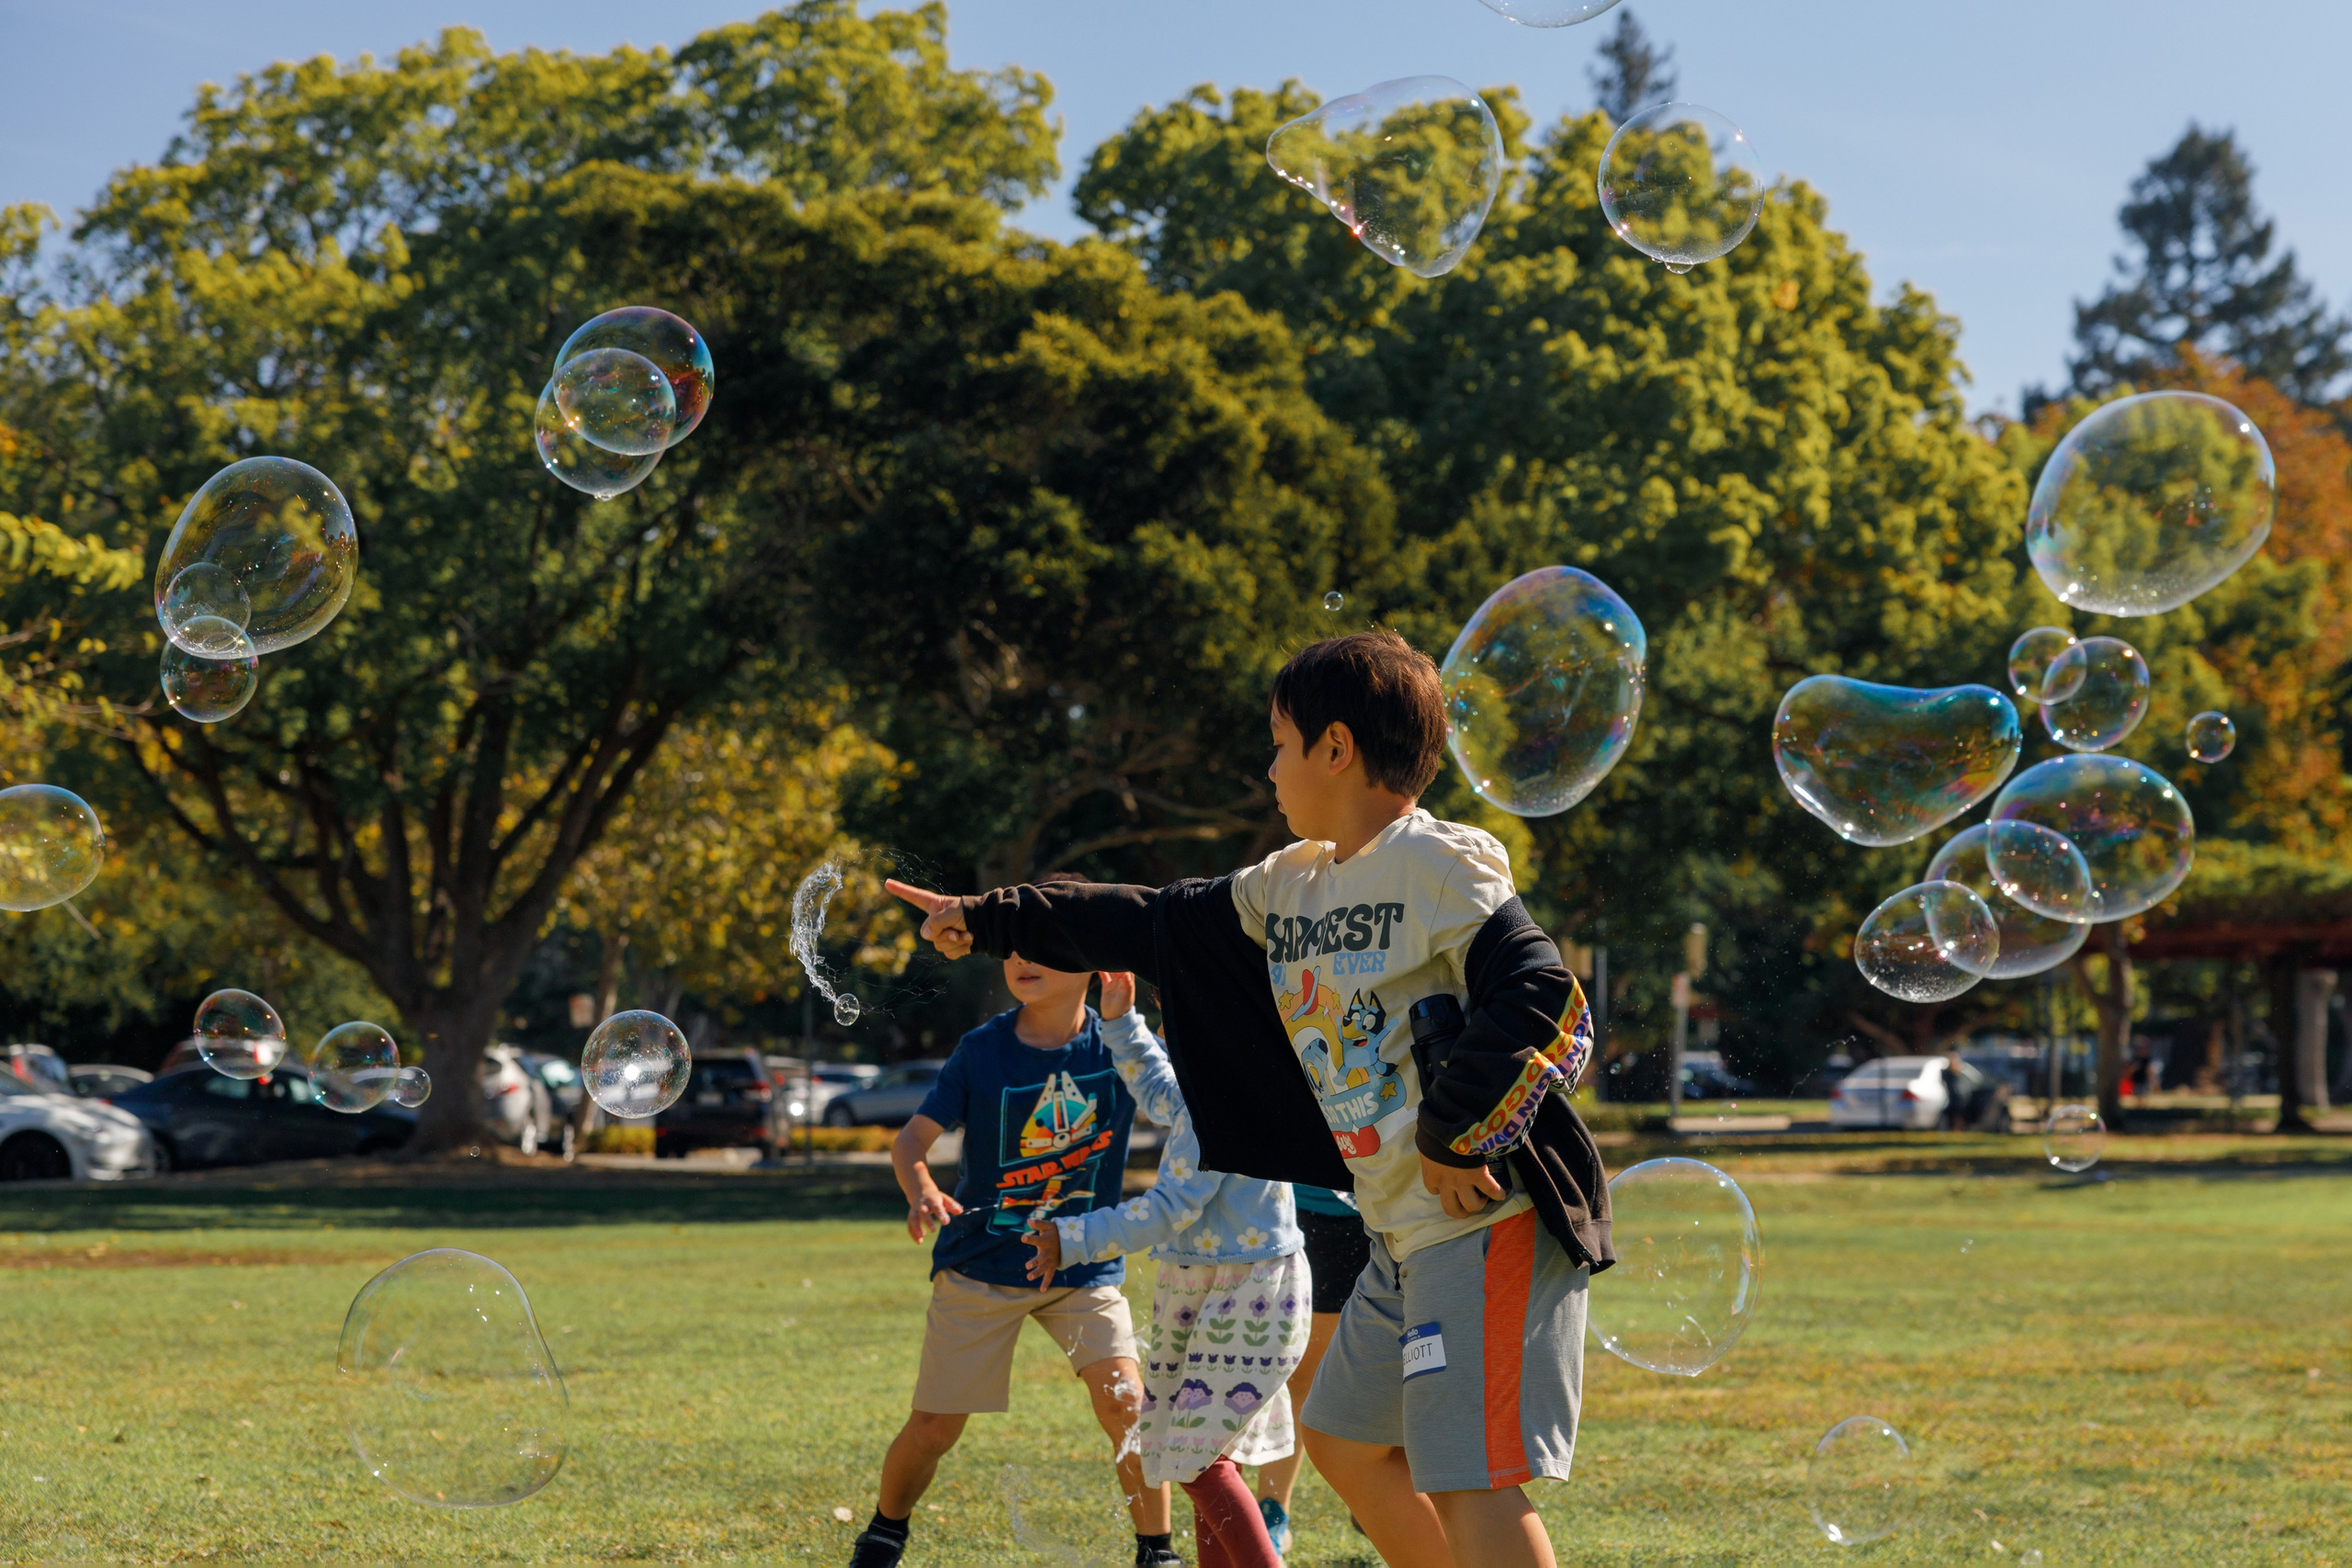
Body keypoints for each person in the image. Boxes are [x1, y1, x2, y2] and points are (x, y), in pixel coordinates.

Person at [887, 630, 1614, 1568]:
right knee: (1346, 1439)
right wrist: (995, 918)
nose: (1269, 767)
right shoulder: (1290, 884)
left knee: (1467, 1475)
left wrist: (1456, 1136)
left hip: (1482, 1219)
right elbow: (1151, 921)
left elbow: (1544, 1000)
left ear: (1337, 748)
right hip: (1404, 1235)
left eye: (1279, 743)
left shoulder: (1440, 864)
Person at [849, 923, 1179, 1568]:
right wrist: (920, 1189)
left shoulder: (1121, 1044)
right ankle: (885, 1531)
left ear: (1094, 965)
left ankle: (1156, 1550)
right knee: (936, 1426)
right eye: (1014, 948)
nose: (1023, 958)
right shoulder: (982, 1050)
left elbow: (1179, 1098)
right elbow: (910, 1141)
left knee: (1126, 1405)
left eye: (1046, 945)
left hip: (1082, 1264)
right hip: (982, 1264)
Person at [1026, 970, 1304, 1568]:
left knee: (1196, 1457)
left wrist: (1073, 1236)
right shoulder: (1214, 1079)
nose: (1164, 1031)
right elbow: (1158, 1088)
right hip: (1209, 1290)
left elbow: (1170, 1206)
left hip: (1244, 1294)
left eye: (1172, 1022)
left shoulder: (1223, 1100)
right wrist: (1121, 1022)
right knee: (1202, 1455)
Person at [1250, 1183, 1371, 1552]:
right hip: (1306, 1212)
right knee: (1302, 1373)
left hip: (1390, 1206)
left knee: (1398, 1366)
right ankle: (1273, 1511)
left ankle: (1374, 1495)